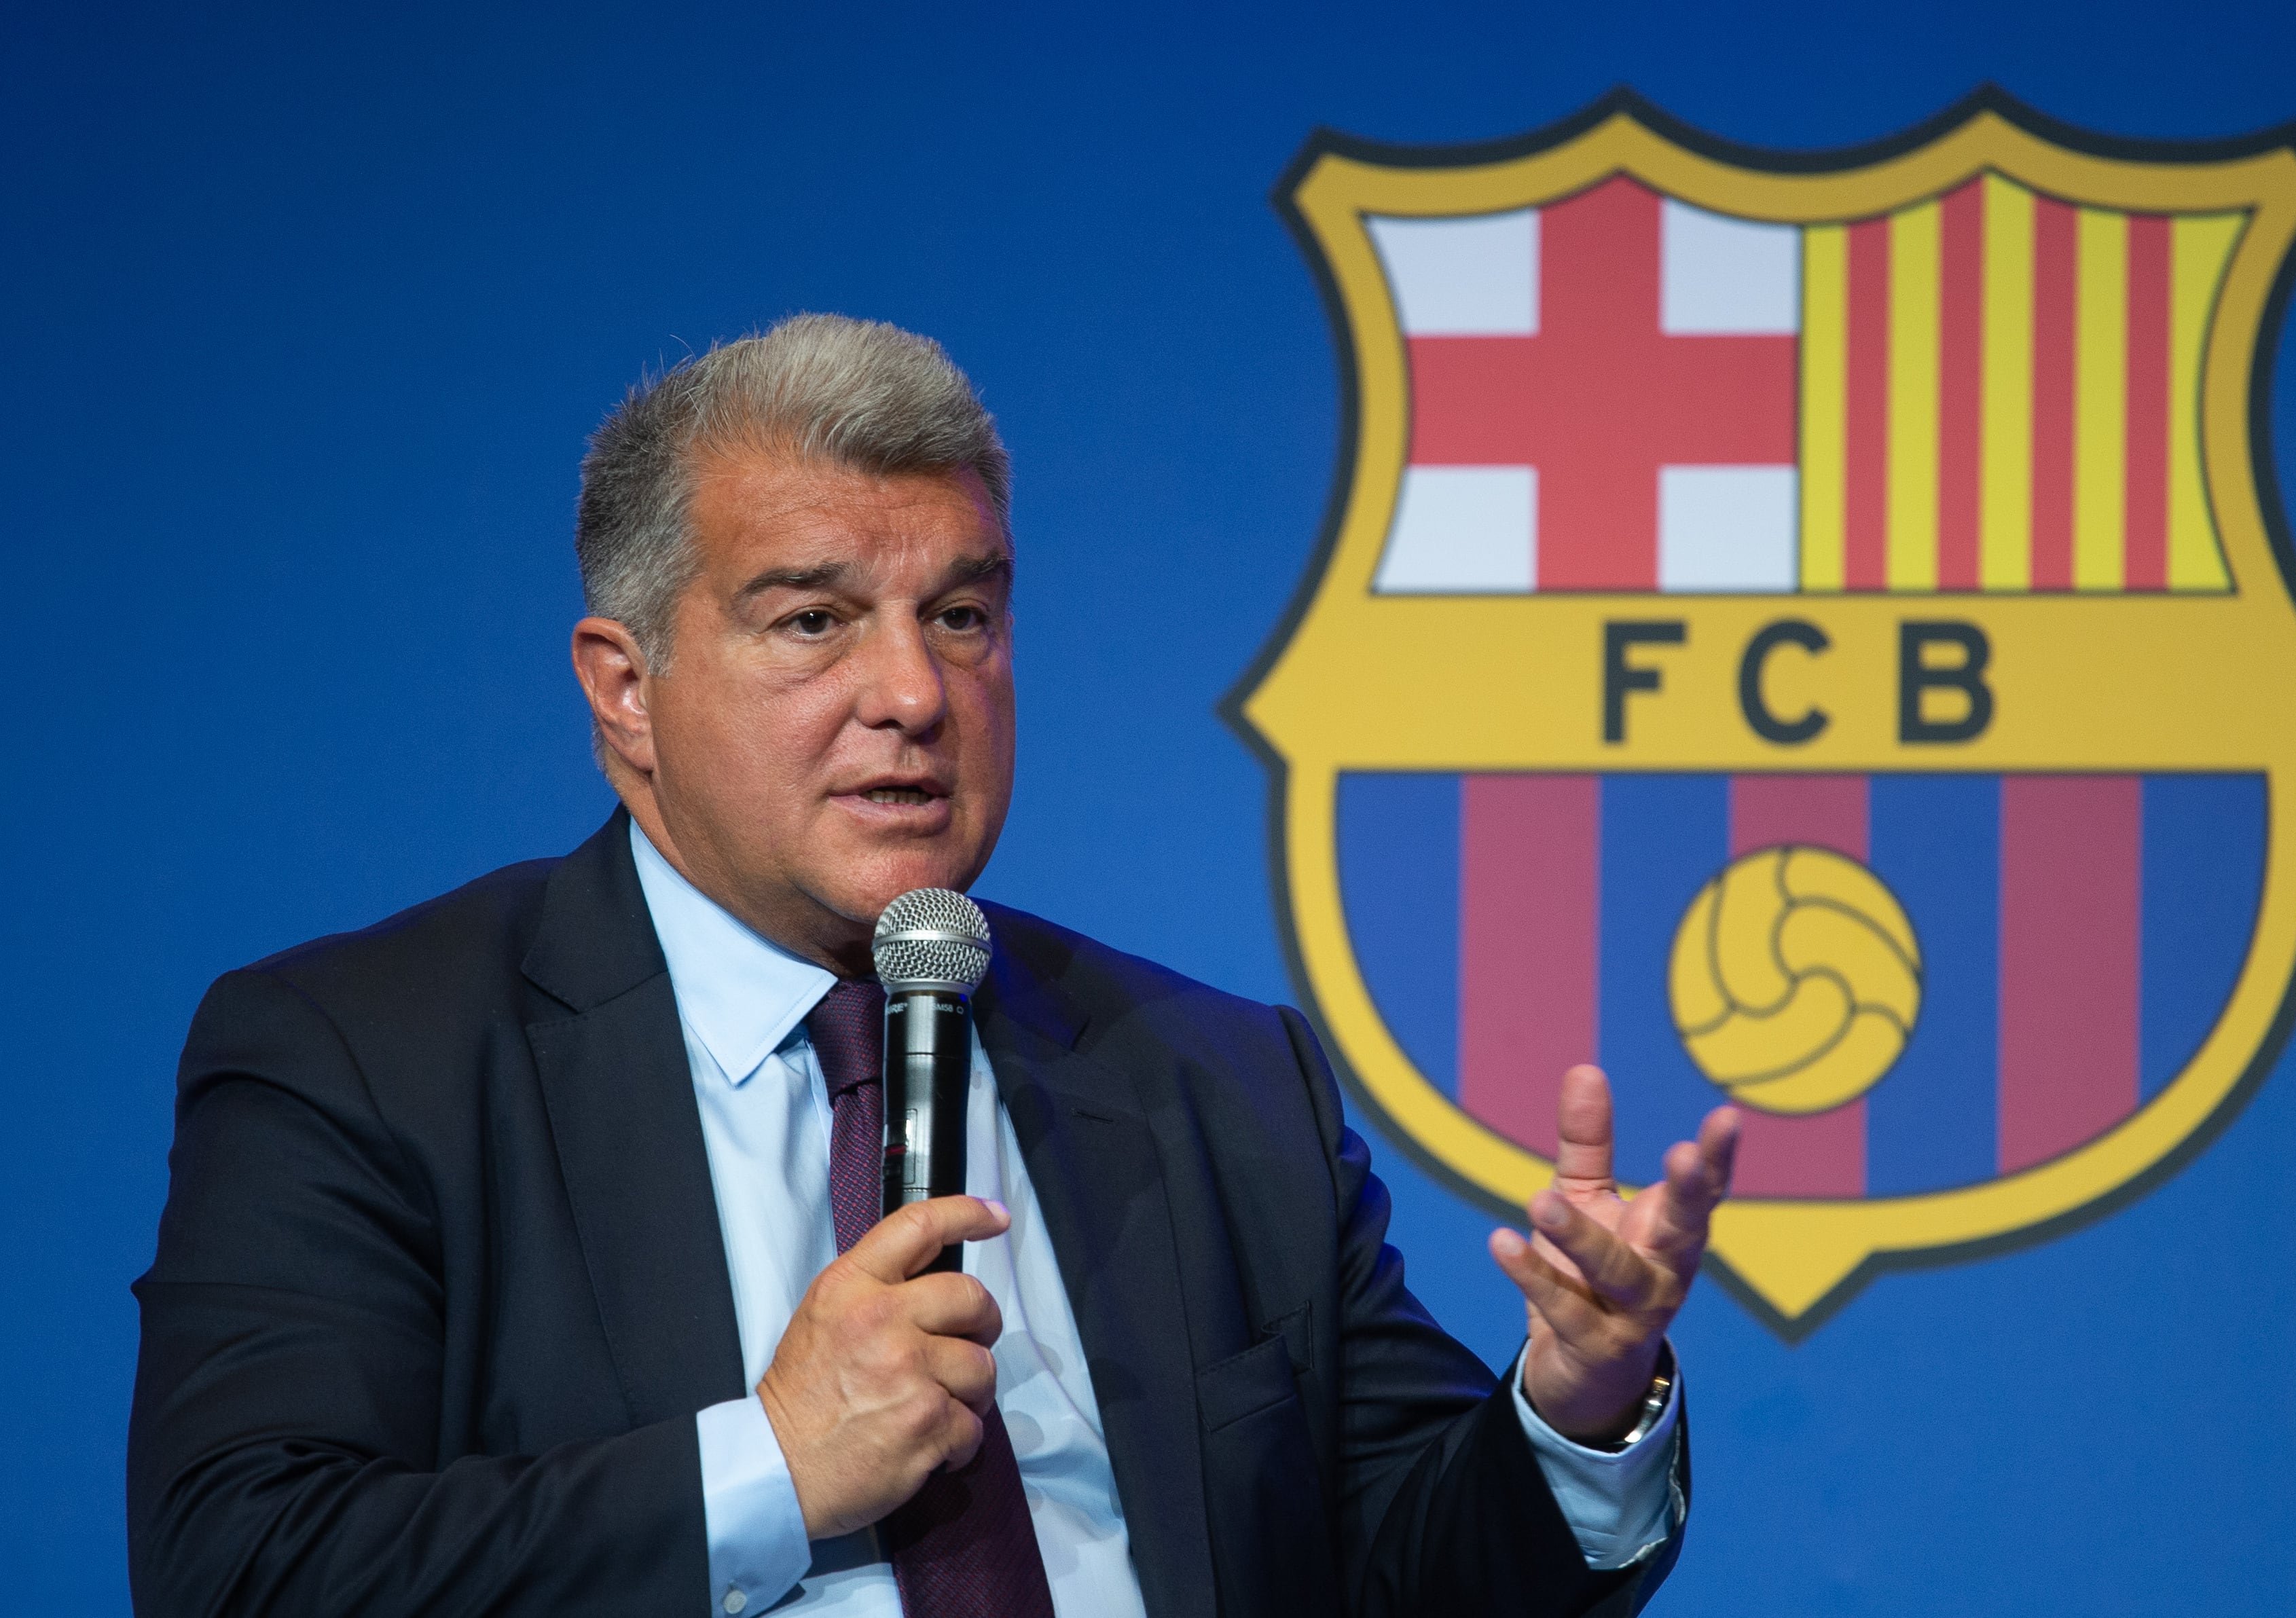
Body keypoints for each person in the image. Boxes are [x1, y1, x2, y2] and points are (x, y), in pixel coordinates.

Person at [128, 314, 1740, 1617]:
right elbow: (249, 1566)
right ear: (627, 690)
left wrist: (1575, 1408)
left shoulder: (1213, 1082)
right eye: (815, 621)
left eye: (961, 614)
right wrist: (771, 1461)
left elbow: (1412, 1572)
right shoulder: (366, 1056)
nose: (913, 690)